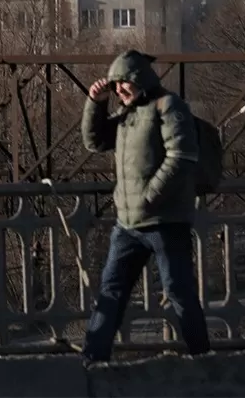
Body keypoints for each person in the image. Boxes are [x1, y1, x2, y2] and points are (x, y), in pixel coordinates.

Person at [80, 49, 210, 364]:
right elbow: (94, 141)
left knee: (178, 292)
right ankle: (93, 360)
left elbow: (182, 156)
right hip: (128, 225)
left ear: (141, 80)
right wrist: (95, 104)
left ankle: (203, 357)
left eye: (124, 83)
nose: (120, 90)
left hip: (166, 221)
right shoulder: (128, 115)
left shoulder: (168, 107)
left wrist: (149, 196)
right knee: (111, 292)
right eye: (115, 86)